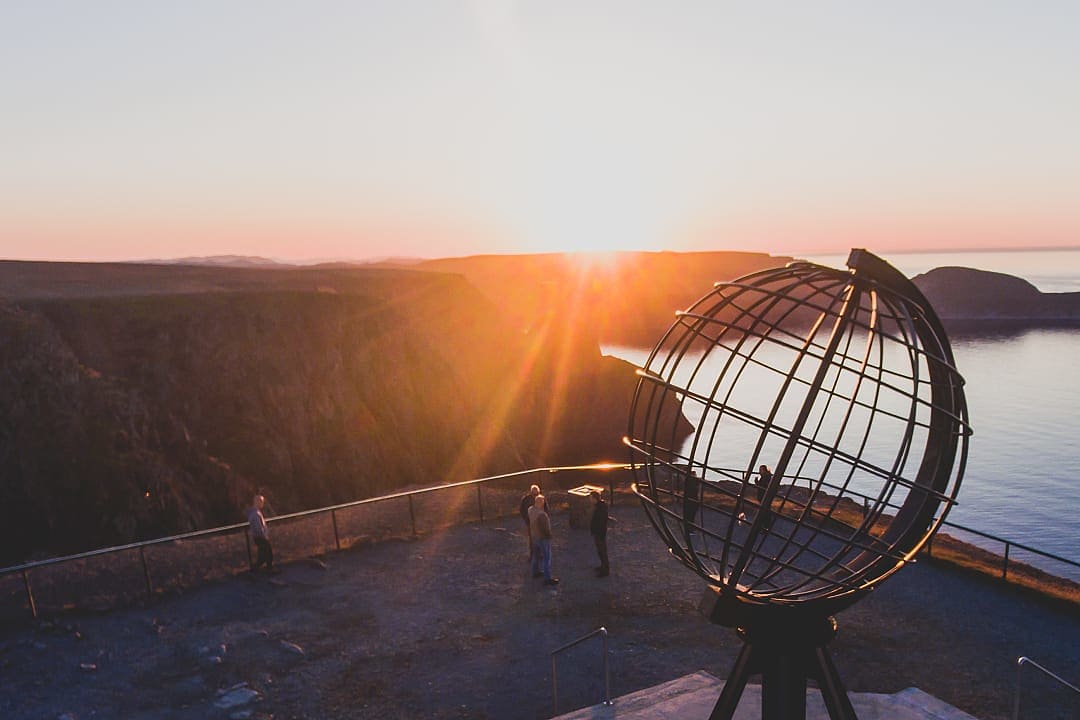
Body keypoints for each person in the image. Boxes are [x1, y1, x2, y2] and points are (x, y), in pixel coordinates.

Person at [529, 494, 558, 586]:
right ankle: (547, 578)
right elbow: (545, 529)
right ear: (542, 503)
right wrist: (549, 536)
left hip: (534, 536)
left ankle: (535, 572)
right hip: (542, 538)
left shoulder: (530, 510)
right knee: (547, 557)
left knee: (535, 555)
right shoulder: (542, 515)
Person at [247, 494, 276, 573]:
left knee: (263, 553)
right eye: (261, 502)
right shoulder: (255, 513)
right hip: (260, 536)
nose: (262, 504)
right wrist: (264, 535)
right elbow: (258, 527)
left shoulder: (255, 512)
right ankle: (269, 568)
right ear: (257, 502)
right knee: (268, 551)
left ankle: (256, 567)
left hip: (258, 536)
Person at [589, 490, 611, 577]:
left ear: (595, 498)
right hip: (598, 533)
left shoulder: (600, 508)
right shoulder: (600, 506)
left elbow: (601, 522)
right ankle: (603, 566)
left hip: (600, 533)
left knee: (602, 551)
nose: (590, 500)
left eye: (591, 498)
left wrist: (598, 532)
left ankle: (605, 570)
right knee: (600, 551)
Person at [519, 484, 541, 562]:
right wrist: (527, 519)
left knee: (536, 538)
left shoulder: (526, 499)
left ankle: (536, 554)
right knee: (533, 539)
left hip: (536, 522)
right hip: (531, 522)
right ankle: (534, 555)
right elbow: (522, 510)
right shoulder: (527, 500)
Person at [754, 465, 775, 530]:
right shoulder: (765, 477)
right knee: (765, 510)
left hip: (764, 496)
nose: (760, 471)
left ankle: (766, 525)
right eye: (760, 470)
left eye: (761, 470)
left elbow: (763, 486)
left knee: (765, 511)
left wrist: (757, 482)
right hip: (763, 496)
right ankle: (765, 525)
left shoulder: (765, 477)